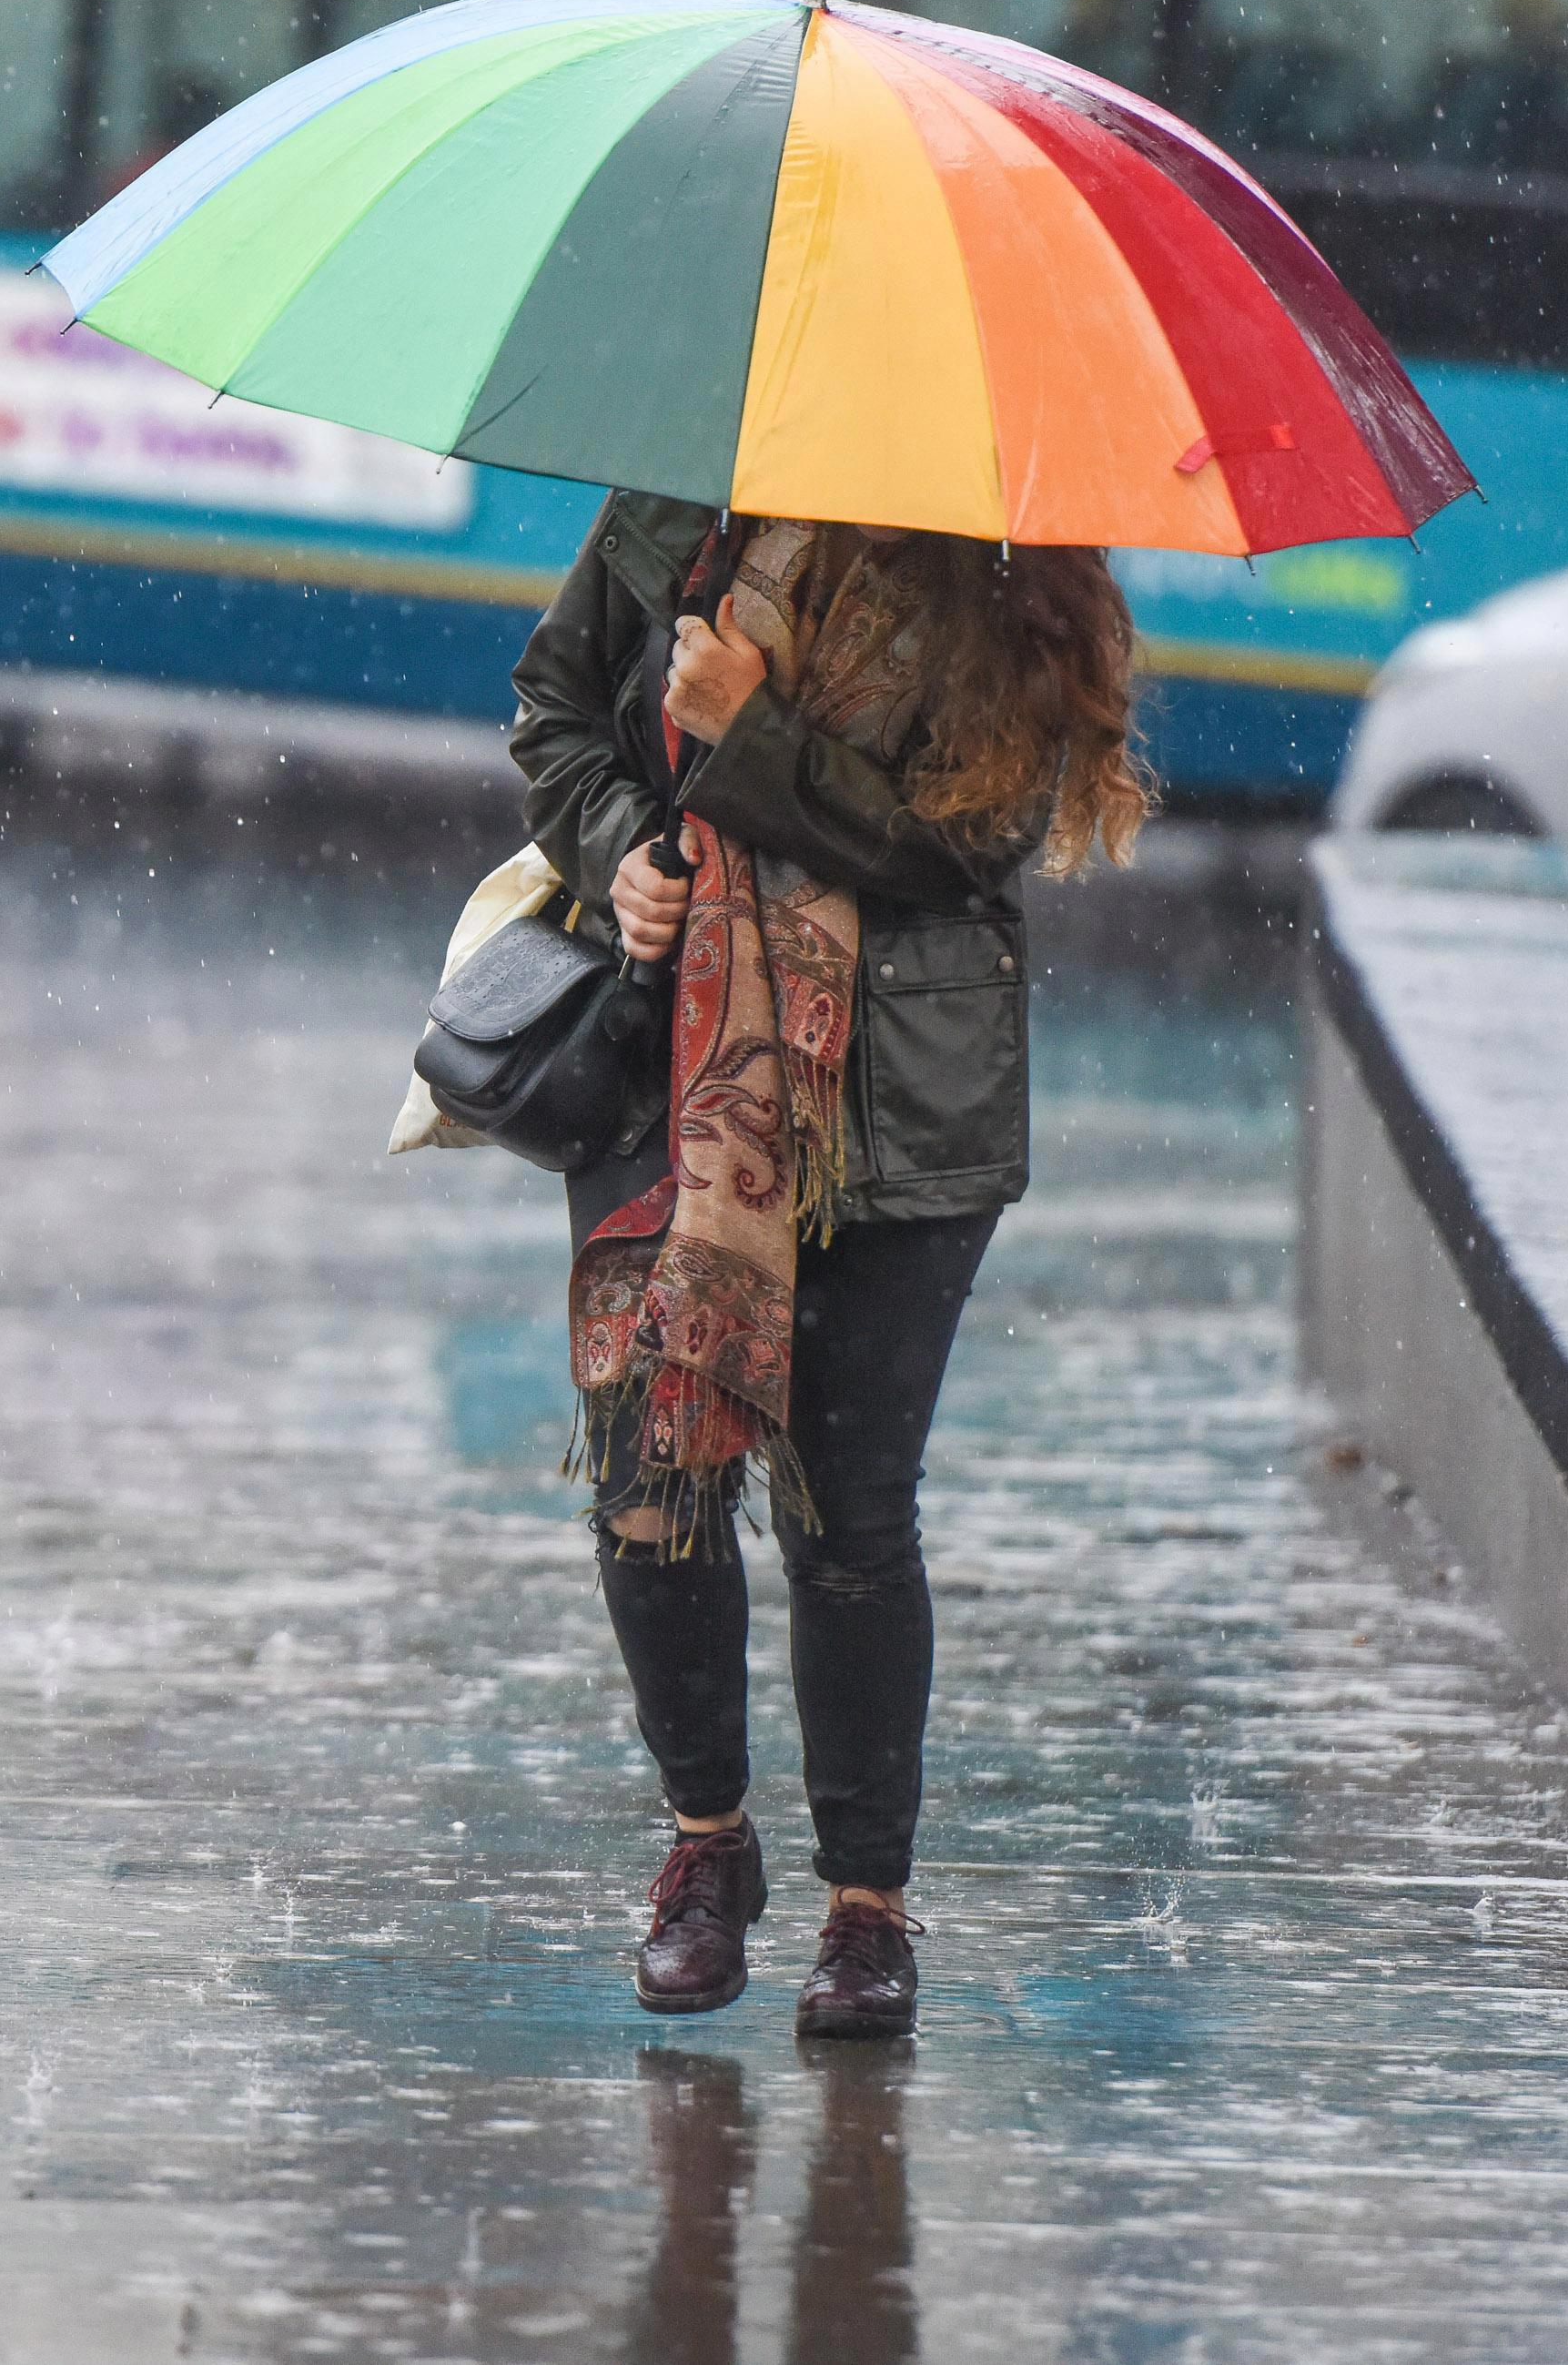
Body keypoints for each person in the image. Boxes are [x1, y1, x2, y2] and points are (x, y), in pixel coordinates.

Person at [509, 490, 1148, 2039]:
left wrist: (742, 740)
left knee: (848, 1514)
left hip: (898, 1104)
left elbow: (963, 842)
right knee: (653, 1480)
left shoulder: (1004, 557)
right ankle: (705, 1850)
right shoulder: (674, 512)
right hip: (669, 1068)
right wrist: (622, 852)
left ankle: (866, 1912)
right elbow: (552, 716)